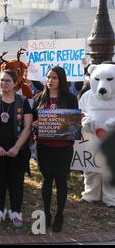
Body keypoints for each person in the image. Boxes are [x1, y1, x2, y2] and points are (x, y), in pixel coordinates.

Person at [0, 70, 33, 227]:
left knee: (16, 181)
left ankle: (16, 213)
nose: (3, 83)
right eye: (2, 80)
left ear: (15, 84)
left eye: (8, 81)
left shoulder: (23, 101)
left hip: (19, 150)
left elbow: (27, 127)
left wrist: (17, 147)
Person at [32, 66, 78, 232]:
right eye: (48, 77)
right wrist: (35, 125)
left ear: (61, 80)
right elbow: (33, 121)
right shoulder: (39, 98)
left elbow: (73, 123)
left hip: (63, 148)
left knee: (61, 181)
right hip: (44, 147)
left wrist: (76, 120)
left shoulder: (70, 98)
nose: (50, 81)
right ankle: (46, 213)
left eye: (54, 78)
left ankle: (59, 215)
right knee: (46, 180)